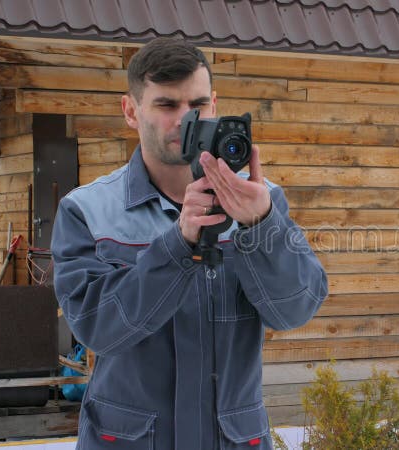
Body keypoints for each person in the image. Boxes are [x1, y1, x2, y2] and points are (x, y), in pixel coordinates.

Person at [51, 37, 328, 450]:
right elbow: (97, 329)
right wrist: (178, 244)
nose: (185, 119)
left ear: (214, 105)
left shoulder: (260, 200)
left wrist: (261, 224)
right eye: (166, 105)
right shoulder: (87, 210)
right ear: (130, 110)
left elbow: (295, 309)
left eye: (197, 105)